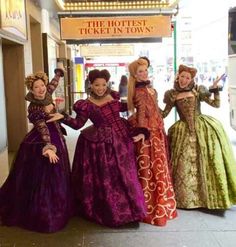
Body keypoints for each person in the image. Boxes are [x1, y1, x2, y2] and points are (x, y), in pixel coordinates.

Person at [49, 69, 148, 227]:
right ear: (91, 85)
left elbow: (128, 106)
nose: (100, 88)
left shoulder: (114, 96)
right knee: (109, 177)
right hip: (102, 144)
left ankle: (133, 209)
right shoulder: (86, 105)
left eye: (103, 84)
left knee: (126, 175)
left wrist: (139, 93)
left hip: (122, 139)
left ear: (107, 83)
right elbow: (78, 124)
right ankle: (112, 210)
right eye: (97, 85)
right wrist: (63, 117)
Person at [0, 68, 74, 233]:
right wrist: (48, 147)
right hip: (42, 140)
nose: (41, 89)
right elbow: (42, 128)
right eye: (36, 87)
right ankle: (45, 209)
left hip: (57, 135)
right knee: (43, 177)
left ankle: (61, 203)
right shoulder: (34, 109)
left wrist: (58, 75)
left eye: (42, 85)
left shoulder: (46, 93)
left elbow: (53, 85)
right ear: (31, 91)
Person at [161, 64, 236, 209]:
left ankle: (206, 198)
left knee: (206, 162)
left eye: (187, 78)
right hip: (182, 131)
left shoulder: (197, 91)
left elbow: (216, 104)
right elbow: (164, 114)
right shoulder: (172, 94)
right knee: (183, 166)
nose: (184, 80)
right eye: (182, 76)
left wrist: (215, 90)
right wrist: (151, 104)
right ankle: (187, 199)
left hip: (202, 128)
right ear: (178, 77)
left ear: (191, 80)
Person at [127, 58, 177, 226]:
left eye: (145, 70)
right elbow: (141, 112)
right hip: (148, 133)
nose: (144, 73)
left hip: (156, 131)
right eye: (140, 71)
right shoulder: (140, 92)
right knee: (150, 168)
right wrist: (142, 131)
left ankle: (157, 202)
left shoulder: (149, 89)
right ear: (134, 74)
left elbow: (156, 111)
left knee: (157, 166)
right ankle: (149, 206)